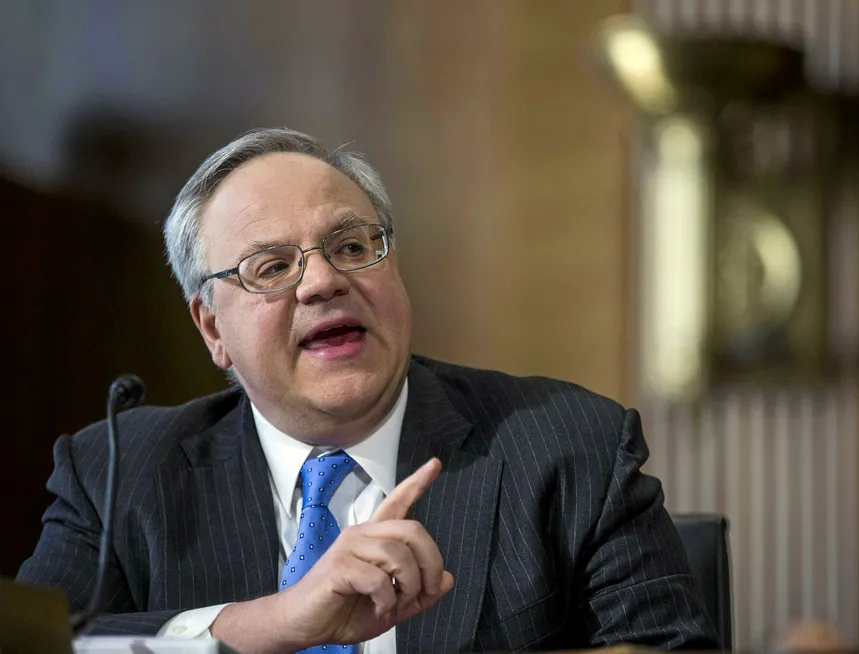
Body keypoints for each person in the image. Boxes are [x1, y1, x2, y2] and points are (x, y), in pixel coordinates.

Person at [18, 128, 718, 653]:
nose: (324, 281)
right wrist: (271, 623)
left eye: (352, 247)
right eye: (272, 267)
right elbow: (37, 640)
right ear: (212, 329)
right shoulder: (119, 473)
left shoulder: (569, 446)